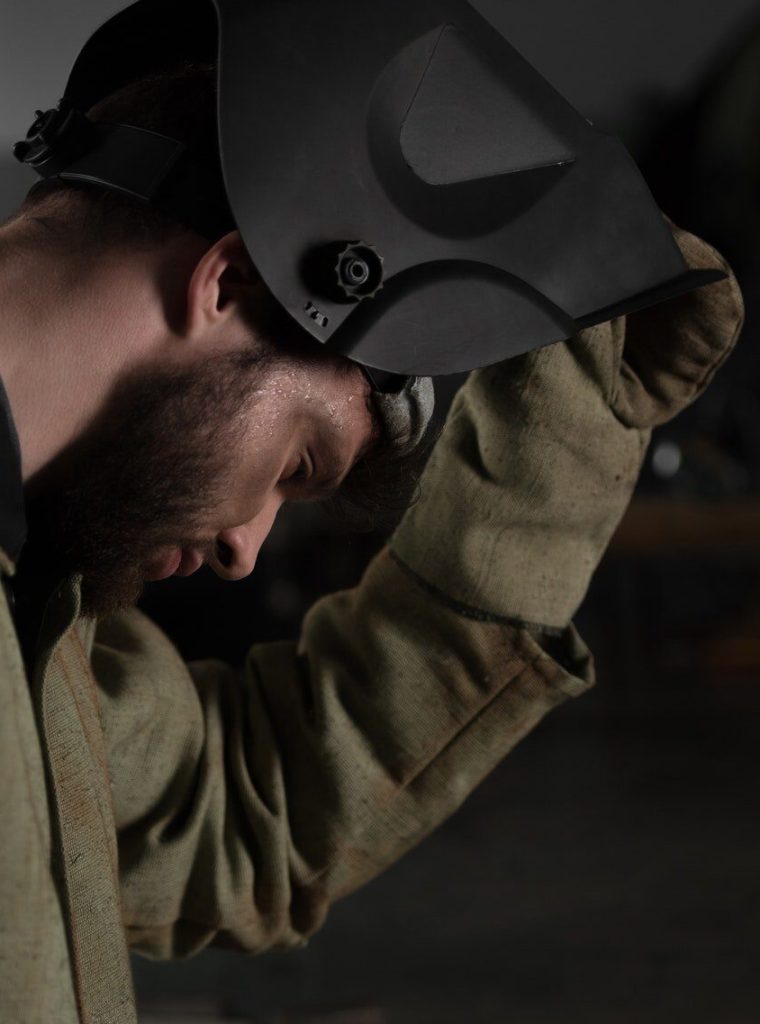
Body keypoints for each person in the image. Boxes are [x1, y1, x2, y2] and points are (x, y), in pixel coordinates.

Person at [0, 64, 744, 1024]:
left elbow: (230, 813)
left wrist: (558, 438)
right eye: (296, 463)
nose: (245, 548)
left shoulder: (37, 617)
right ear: (228, 283)